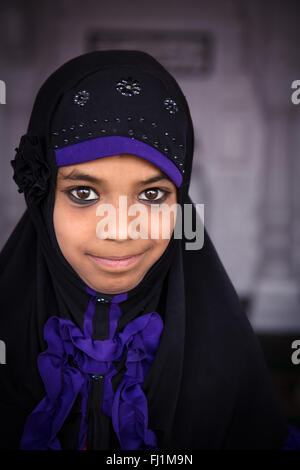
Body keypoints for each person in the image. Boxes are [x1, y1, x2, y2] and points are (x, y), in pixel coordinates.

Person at [0, 49, 299, 450]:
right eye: (84, 193)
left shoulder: (225, 364)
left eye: (153, 194)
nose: (121, 229)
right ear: (43, 200)